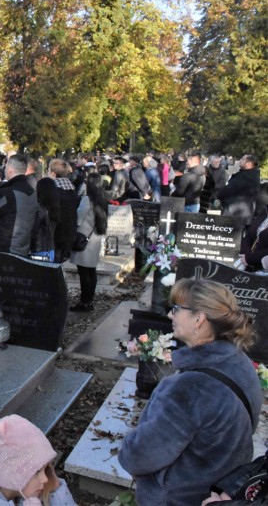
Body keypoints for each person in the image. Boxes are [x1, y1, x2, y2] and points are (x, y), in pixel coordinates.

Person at [119, 278, 262, 506]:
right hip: (219, 489)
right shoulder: (241, 362)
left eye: (176, 309)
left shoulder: (189, 388)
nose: (170, 316)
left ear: (199, 318)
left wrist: (128, 447)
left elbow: (140, 456)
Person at [0, 414, 77, 505]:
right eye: (36, 471)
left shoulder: (18, 491)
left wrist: (55, 490)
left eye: (45, 469)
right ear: (12, 474)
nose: (45, 478)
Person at [0, 154, 38, 256]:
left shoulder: (7, 193)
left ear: (9, 169)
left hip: (4, 252)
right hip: (23, 249)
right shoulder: (32, 192)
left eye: (6, 167)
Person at [69, 173, 108, 312]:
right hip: (95, 239)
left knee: (84, 273)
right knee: (91, 272)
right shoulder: (102, 199)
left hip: (84, 238)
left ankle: (84, 302)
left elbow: (78, 217)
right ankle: (89, 300)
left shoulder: (87, 199)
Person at [216, 154, 261, 226]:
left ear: (248, 163)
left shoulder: (246, 176)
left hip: (235, 214)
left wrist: (218, 194)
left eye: (243, 159)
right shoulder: (252, 174)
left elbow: (230, 188)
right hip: (242, 214)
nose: (240, 161)